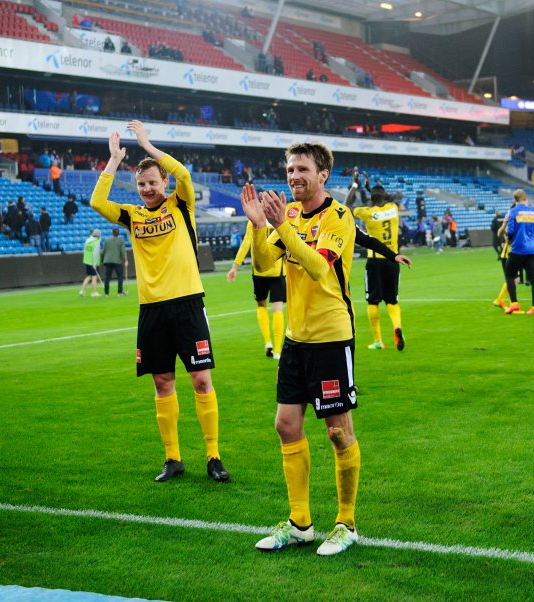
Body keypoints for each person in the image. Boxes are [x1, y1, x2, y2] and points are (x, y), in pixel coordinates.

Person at [240, 142, 362, 556]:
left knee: (338, 431)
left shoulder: (339, 216)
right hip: (296, 339)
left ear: (323, 174)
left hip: (331, 337)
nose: (294, 176)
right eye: (290, 169)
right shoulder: (288, 214)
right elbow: (263, 265)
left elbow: (317, 267)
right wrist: (259, 226)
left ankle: (346, 524)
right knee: (286, 425)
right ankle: (300, 524)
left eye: (302, 169)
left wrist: (281, 227)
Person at [91, 121, 229, 483]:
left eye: (153, 182)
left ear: (163, 182)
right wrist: (113, 160)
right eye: (142, 184)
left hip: (188, 304)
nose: (148, 189)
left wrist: (147, 146)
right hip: (152, 309)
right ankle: (173, 458)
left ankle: (213, 456)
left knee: (201, 380)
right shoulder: (132, 216)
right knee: (162, 383)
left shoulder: (181, 203)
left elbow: (183, 173)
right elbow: (97, 202)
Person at [347, 183, 410, 351]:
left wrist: (356, 185)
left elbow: (347, 206)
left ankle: (378, 341)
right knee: (392, 300)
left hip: (375, 261)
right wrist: (371, 188)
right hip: (393, 260)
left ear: (371, 198)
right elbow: (384, 197)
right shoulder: (393, 208)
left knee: (373, 301)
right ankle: (397, 326)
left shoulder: (367, 213)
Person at [227, 220, 285, 358]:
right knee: (278, 308)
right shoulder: (279, 218)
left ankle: (268, 342)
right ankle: (277, 351)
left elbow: (246, 243)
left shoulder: (254, 221)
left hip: (259, 272)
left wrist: (235, 266)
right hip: (277, 271)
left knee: (261, 304)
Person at [498, 190, 534, 315]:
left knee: (510, 276)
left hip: (517, 249)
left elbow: (510, 231)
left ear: (515, 200)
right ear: (525, 198)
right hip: (531, 249)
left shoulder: (513, 211)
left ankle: (514, 304)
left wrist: (508, 239)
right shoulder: (533, 212)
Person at [101, 227, 126, 297]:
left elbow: (103, 252)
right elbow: (123, 252)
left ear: (112, 232)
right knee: (120, 277)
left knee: (107, 277)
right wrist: (125, 260)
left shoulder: (107, 240)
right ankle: (119, 292)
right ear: (118, 233)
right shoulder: (121, 241)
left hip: (108, 261)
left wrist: (102, 260)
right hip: (117, 261)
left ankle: (106, 293)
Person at [80, 229, 102, 297]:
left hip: (87, 261)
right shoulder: (96, 242)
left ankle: (82, 290)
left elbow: (85, 251)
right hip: (93, 263)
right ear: (98, 236)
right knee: (94, 277)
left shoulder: (87, 240)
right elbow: (95, 254)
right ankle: (94, 292)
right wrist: (94, 264)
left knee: (89, 276)